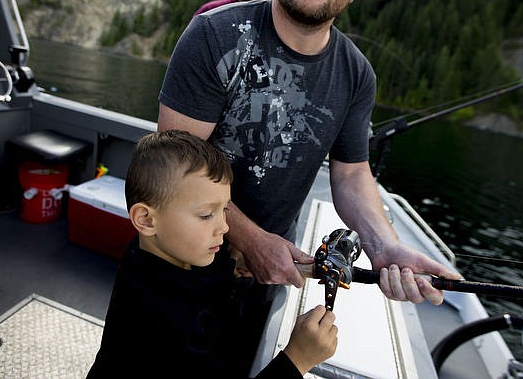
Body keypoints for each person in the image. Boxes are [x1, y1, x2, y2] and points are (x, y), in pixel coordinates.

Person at [158, 0, 460, 365]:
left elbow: (351, 173)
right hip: (171, 272)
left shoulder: (357, 74)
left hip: (257, 285)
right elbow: (172, 165)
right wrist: (252, 239)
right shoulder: (214, 36)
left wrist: (384, 246)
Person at [87, 130, 337, 378]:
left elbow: (194, 284)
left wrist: (230, 268)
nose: (225, 227)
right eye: (207, 215)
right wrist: (297, 359)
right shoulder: (169, 323)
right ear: (146, 219)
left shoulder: (148, 253)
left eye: (224, 210)